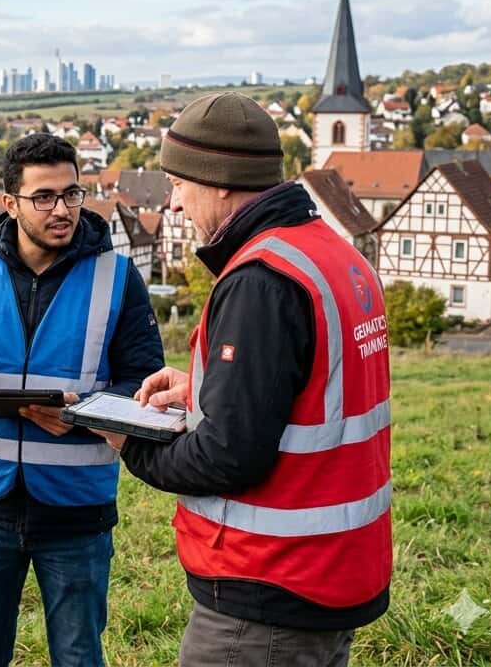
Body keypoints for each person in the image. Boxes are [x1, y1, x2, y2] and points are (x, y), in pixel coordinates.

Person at [103, 92, 391, 666]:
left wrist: (130, 443)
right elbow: (313, 391)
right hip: (335, 566)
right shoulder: (333, 254)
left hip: (267, 587)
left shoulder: (261, 279)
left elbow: (228, 457)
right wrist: (210, 390)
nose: (176, 205)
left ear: (221, 181)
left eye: (178, 185)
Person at [0, 133, 164, 666]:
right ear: (10, 204)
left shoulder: (117, 277)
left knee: (78, 656)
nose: (63, 209)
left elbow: (145, 384)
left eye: (72, 194)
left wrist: (80, 414)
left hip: (77, 509)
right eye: (45, 197)